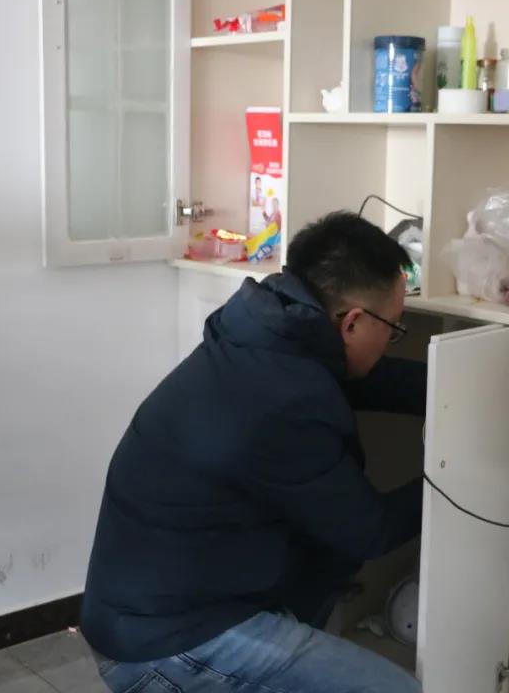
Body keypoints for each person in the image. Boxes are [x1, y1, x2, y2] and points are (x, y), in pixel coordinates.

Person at [82, 212, 426, 693]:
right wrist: (457, 472)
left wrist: (455, 385)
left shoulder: (262, 330)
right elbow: (369, 532)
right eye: (393, 328)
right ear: (351, 322)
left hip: (145, 608)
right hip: (166, 642)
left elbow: (360, 380)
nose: (391, 340)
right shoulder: (286, 400)